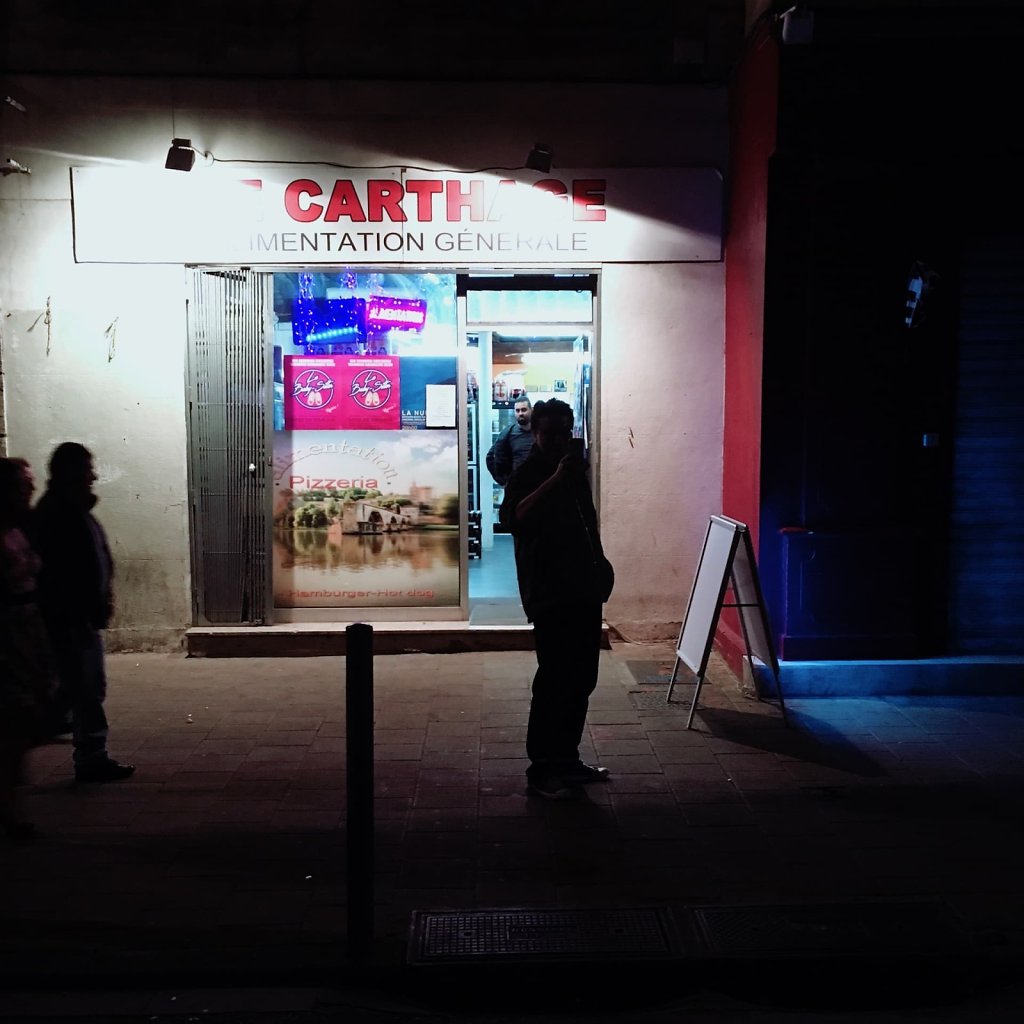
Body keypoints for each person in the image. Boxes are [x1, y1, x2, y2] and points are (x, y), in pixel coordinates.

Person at [499, 399, 615, 799]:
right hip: (549, 590)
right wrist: (555, 481)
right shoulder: (528, 472)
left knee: (583, 678)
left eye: (565, 432)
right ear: (535, 434)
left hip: (583, 586)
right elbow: (513, 518)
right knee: (553, 678)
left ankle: (567, 757)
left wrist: (600, 563)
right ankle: (542, 766)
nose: (558, 440)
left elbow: (587, 522)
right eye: (549, 433)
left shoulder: (575, 472)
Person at [28, 443, 135, 783]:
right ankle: (88, 755)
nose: (94, 475)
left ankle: (79, 747)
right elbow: (62, 572)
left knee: (81, 690)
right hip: (70, 619)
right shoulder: (58, 514)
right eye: (87, 468)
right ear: (71, 471)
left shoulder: (73, 510)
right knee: (82, 690)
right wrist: (78, 611)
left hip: (79, 618)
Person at [0, 458, 54, 839]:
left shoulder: (19, 529)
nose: (29, 491)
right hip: (6, 638)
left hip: (24, 636)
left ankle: (11, 809)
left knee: (17, 728)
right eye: (21, 485)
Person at [486, 396, 533, 486]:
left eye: (524, 410)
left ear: (531, 410)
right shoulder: (507, 433)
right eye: (517, 410)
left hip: (538, 484)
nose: (520, 413)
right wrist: (504, 482)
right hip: (517, 486)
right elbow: (490, 457)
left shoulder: (540, 432)